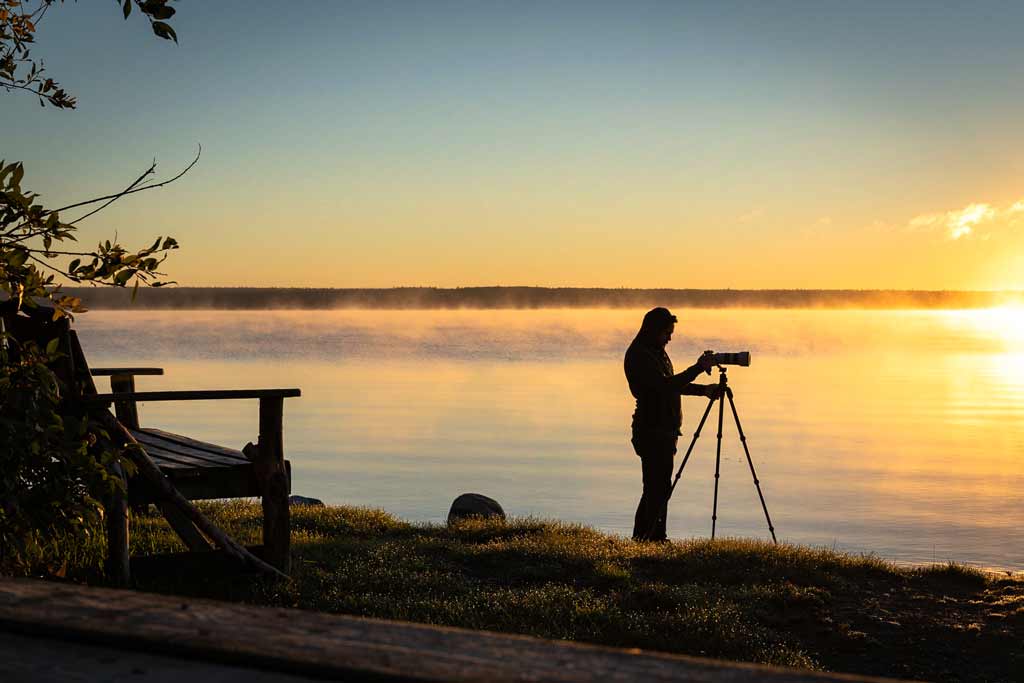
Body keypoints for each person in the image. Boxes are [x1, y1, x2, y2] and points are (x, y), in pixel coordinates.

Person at [624, 307, 719, 541]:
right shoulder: (640, 355)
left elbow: (670, 385)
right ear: (654, 330)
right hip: (652, 430)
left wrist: (704, 391)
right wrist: (697, 368)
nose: (670, 337)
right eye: (667, 332)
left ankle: (647, 538)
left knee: (658, 489)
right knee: (656, 489)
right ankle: (651, 539)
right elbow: (665, 386)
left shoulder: (655, 351)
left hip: (664, 430)